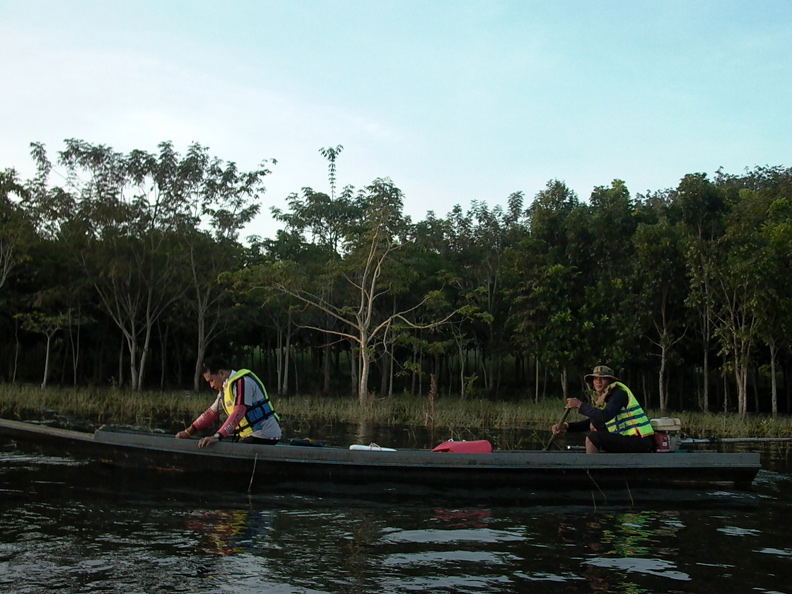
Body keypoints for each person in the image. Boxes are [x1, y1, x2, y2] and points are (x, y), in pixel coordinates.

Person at [176, 356, 282, 448]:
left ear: (221, 373)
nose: (211, 386)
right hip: (251, 436)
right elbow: (210, 413)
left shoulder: (243, 382)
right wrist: (188, 432)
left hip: (265, 435)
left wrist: (218, 436)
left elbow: (239, 412)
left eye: (211, 380)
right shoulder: (225, 390)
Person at [550, 365, 654, 454]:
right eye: (595, 379)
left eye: (602, 378)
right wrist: (566, 426)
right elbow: (593, 421)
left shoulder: (618, 394)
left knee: (593, 437)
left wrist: (580, 405)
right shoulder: (606, 399)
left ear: (610, 381)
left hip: (640, 442)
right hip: (629, 440)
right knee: (595, 423)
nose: (598, 382)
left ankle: (591, 471)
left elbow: (605, 416)